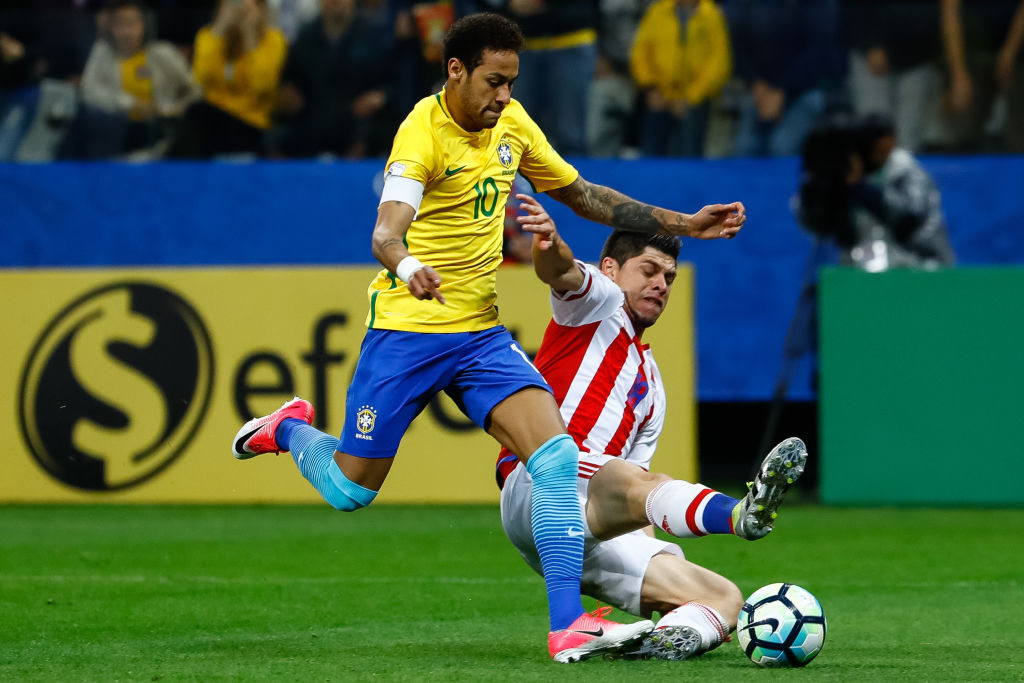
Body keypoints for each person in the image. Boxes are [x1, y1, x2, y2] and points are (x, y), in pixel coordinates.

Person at [230, 12, 746, 663]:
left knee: (555, 457)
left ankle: (568, 625)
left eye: (511, 82)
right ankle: (288, 428)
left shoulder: (512, 123)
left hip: (477, 334)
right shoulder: (420, 134)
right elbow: (385, 231)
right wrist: (410, 265)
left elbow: (582, 194)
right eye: (494, 81)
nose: (504, 96)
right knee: (350, 489)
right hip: (408, 330)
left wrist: (686, 223)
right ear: (456, 71)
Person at [496, 207, 808, 660]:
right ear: (610, 270)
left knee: (723, 597)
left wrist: (645, 564)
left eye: (669, 277)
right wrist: (549, 245)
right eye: (648, 270)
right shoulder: (594, 305)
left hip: (590, 525)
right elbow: (559, 271)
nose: (661, 284)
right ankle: (739, 515)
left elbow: (635, 506)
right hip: (540, 485)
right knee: (643, 482)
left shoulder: (653, 389)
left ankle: (654, 644)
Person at [798, 113, 955, 270]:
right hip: (857, 271)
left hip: (922, 266)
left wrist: (860, 188)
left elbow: (909, 217)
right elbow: (815, 224)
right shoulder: (844, 180)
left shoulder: (905, 170)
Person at [69, 0, 199, 159]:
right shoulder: (103, 53)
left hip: (161, 135)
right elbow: (88, 92)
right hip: (120, 136)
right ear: (112, 29)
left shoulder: (162, 53)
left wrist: (174, 109)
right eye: (120, 26)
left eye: (131, 24)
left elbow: (194, 89)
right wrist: (130, 104)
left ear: (143, 25)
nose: (126, 32)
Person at [269, 0, 398, 158]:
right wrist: (288, 93)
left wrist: (380, 97)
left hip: (356, 121)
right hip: (312, 120)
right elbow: (290, 80)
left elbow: (393, 81)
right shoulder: (306, 36)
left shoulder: (374, 36)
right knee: (274, 140)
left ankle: (353, 181)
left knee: (368, 138)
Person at [167, 0, 287, 158]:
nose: (239, 9)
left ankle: (169, 168)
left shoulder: (273, 40)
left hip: (252, 124)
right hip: (213, 120)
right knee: (196, 117)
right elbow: (200, 78)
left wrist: (250, 36)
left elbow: (263, 87)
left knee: (197, 117)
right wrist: (220, 27)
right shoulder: (209, 36)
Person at [629, 0, 731, 158]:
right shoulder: (657, 11)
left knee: (690, 151)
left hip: (694, 99)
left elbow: (718, 63)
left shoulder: (711, 15)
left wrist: (690, 97)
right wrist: (651, 88)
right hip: (659, 95)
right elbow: (640, 53)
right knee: (651, 151)